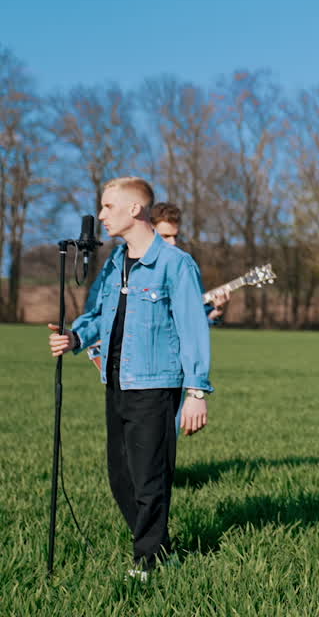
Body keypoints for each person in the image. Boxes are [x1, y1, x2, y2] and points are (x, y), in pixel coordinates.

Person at [46, 176, 213, 579]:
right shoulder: (115, 264)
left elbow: (194, 329)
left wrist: (196, 391)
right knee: (120, 477)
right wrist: (75, 337)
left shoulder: (175, 264)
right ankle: (161, 548)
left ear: (134, 209)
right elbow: (100, 317)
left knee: (148, 476)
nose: (100, 215)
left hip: (155, 385)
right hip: (116, 381)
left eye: (107, 206)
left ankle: (149, 561)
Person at [152, 202, 230, 323]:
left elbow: (197, 320)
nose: (173, 242)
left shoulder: (186, 267)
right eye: (165, 236)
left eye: (175, 236)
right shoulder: (126, 263)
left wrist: (215, 312)